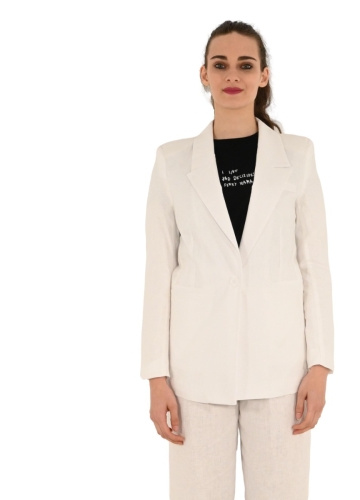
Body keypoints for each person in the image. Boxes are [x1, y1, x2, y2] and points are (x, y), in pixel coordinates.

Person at [140, 20, 334, 500]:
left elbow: (314, 266)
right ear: (203, 75)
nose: (233, 75)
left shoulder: (297, 156)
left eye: (246, 65)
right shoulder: (172, 162)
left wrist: (320, 365)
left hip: (280, 369)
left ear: (263, 76)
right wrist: (156, 376)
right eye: (220, 64)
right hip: (196, 371)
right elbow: (158, 271)